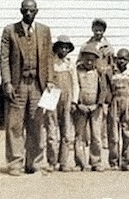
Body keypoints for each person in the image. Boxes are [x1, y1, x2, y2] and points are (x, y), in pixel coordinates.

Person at [0, 0, 54, 176]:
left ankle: (35, 163)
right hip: (18, 84)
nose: (28, 13)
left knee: (36, 123)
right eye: (25, 10)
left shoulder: (44, 31)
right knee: (15, 124)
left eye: (31, 10)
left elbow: (49, 58)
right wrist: (7, 82)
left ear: (37, 11)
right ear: (20, 11)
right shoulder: (10, 31)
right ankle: (15, 162)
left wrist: (50, 81)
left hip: (37, 85)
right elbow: (4, 59)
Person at [73, 42, 113, 171]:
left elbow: (103, 89)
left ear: (96, 60)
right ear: (82, 58)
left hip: (96, 108)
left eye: (92, 59)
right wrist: (79, 104)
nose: (89, 62)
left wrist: (98, 104)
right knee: (79, 136)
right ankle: (80, 162)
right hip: (81, 108)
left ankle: (96, 161)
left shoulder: (99, 72)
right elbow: (76, 87)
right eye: (86, 59)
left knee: (96, 136)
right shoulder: (78, 71)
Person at [46, 35, 78, 172]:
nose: (63, 50)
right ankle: (51, 161)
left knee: (67, 132)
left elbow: (75, 83)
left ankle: (63, 161)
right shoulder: (51, 63)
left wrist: (74, 101)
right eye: (61, 47)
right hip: (53, 96)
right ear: (57, 48)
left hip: (67, 97)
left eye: (66, 48)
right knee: (52, 131)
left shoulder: (70, 64)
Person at [108, 48, 129, 171]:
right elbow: (107, 90)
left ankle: (127, 161)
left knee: (128, 135)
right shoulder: (111, 73)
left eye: (125, 59)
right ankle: (113, 162)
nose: (122, 61)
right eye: (120, 58)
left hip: (127, 104)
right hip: (114, 104)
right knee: (113, 135)